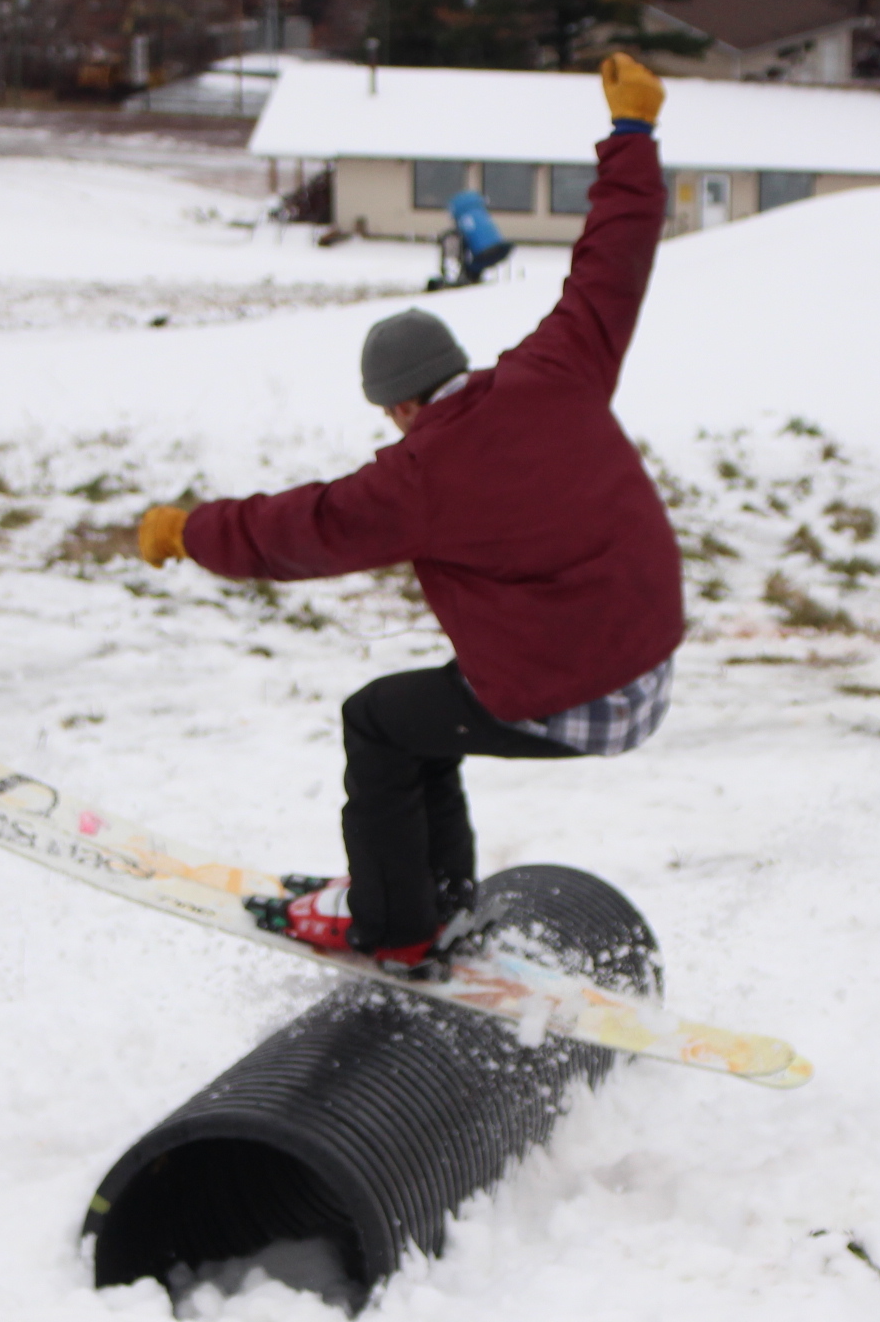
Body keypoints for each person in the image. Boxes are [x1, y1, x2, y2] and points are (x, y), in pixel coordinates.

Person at [133, 54, 684, 968]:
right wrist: (633, 134)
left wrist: (186, 530)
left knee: (377, 723)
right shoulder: (558, 365)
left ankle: (397, 928)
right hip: (648, 664)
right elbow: (613, 259)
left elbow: (295, 531)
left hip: (580, 697)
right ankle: (440, 893)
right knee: (421, 715)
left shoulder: (419, 475)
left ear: (396, 405)